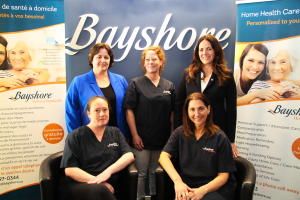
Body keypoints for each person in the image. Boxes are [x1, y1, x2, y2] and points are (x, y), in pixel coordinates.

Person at [159, 92, 236, 200]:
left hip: (215, 189)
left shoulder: (220, 138)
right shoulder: (180, 132)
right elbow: (163, 156)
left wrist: (202, 191)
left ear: (208, 109)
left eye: (201, 108)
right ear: (187, 111)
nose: (197, 114)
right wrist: (178, 181)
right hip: (188, 187)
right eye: (192, 109)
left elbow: (223, 176)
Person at [123, 46, 176, 200]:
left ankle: (156, 197)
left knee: (157, 173)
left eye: (154, 59)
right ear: (144, 63)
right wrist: (134, 135)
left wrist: (172, 137)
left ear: (161, 62)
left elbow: (173, 113)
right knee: (140, 174)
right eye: (148, 59)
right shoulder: (135, 83)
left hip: (163, 139)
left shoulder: (169, 86)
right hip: (142, 139)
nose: (151, 62)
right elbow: (129, 110)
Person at [174, 34, 238, 157]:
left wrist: (231, 140)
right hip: (191, 132)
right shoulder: (188, 73)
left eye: (209, 49)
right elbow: (179, 106)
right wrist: (179, 133)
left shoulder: (226, 76)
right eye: (201, 50)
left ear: (215, 50)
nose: (205, 53)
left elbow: (231, 111)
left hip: (217, 131)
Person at [59, 96, 134, 200]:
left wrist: (109, 171)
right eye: (97, 111)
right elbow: (70, 170)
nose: (102, 114)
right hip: (79, 184)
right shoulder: (75, 136)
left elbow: (129, 155)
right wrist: (100, 182)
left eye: (105, 110)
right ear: (88, 114)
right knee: (100, 190)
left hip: (108, 185)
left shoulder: (115, 132)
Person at [65, 43, 130, 140]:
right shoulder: (78, 82)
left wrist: (128, 135)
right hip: (90, 139)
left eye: (106, 57)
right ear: (92, 60)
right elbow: (71, 113)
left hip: (119, 138)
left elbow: (128, 110)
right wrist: (77, 139)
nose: (103, 60)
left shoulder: (120, 80)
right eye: (99, 57)